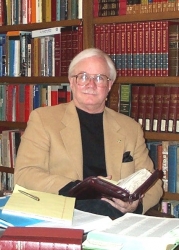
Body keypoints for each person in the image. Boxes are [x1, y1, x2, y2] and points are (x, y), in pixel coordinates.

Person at [14, 48, 163, 219]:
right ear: (72, 82)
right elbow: (25, 174)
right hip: (65, 214)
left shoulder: (130, 128)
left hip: (116, 218)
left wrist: (135, 206)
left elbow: (153, 184)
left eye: (99, 78)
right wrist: (80, 188)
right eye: (83, 77)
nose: (91, 85)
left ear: (109, 85)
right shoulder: (44, 119)